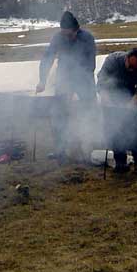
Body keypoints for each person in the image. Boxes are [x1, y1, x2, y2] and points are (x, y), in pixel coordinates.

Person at [36, 11, 96, 163]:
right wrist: (42, 80)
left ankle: (90, 147)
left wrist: (79, 85)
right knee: (59, 113)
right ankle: (60, 148)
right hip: (64, 78)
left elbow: (91, 64)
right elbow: (47, 58)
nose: (66, 36)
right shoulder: (58, 38)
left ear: (76, 30)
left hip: (84, 79)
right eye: (64, 33)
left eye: (69, 34)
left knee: (89, 111)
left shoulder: (87, 38)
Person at [97, 48, 137, 173]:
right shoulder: (112, 60)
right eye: (130, 66)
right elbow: (101, 81)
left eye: (134, 68)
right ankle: (120, 162)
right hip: (110, 95)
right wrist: (107, 100)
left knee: (135, 128)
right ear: (127, 58)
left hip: (129, 95)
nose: (132, 69)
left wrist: (131, 104)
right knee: (114, 129)